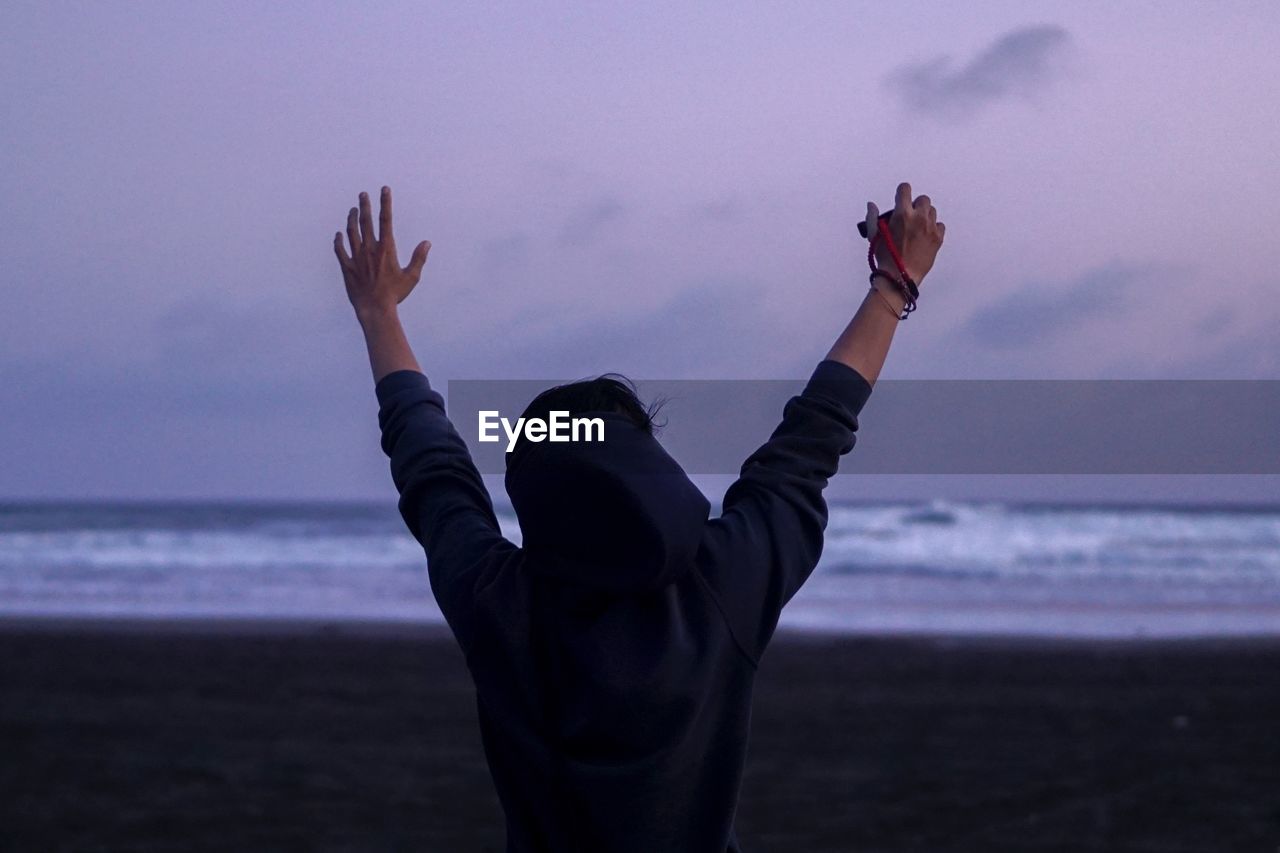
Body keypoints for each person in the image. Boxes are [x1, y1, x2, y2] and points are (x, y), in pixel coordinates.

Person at [333, 182, 945, 852]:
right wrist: (893, 284)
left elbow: (431, 464)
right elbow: (814, 434)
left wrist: (378, 312)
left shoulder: (499, 601)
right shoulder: (724, 580)